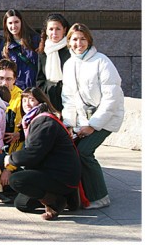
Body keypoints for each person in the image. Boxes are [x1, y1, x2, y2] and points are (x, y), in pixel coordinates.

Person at [61, 23, 124, 209]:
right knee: (74, 152)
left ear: (89, 40)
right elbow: (69, 98)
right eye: (74, 39)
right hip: (83, 119)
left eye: (82, 39)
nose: (78, 43)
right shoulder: (69, 64)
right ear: (69, 42)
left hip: (105, 118)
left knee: (84, 153)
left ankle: (100, 196)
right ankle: (83, 194)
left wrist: (93, 125)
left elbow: (111, 98)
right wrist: (69, 124)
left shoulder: (101, 61)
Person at [1, 87, 81, 220]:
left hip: (61, 176)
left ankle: (56, 201)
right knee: (21, 204)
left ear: (40, 101)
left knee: (16, 180)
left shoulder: (45, 121)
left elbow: (33, 154)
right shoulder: (33, 120)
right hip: (49, 171)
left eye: (31, 100)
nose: (27, 103)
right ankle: (67, 198)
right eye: (24, 100)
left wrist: (11, 159)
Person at [36, 13, 71, 111]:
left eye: (58, 29)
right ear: (46, 31)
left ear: (64, 30)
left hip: (67, 98)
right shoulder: (43, 51)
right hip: (48, 98)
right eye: (51, 29)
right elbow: (40, 78)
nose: (54, 33)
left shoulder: (70, 50)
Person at [0, 9, 40, 90]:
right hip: (15, 89)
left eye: (16, 22)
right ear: (6, 25)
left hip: (34, 88)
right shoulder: (4, 46)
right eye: (10, 23)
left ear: (21, 22)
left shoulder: (35, 40)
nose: (13, 26)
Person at [0, 59, 24, 157]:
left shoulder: (21, 99)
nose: (4, 83)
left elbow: (19, 135)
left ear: (14, 79)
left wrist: (9, 167)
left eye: (8, 79)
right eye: (0, 78)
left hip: (11, 152)